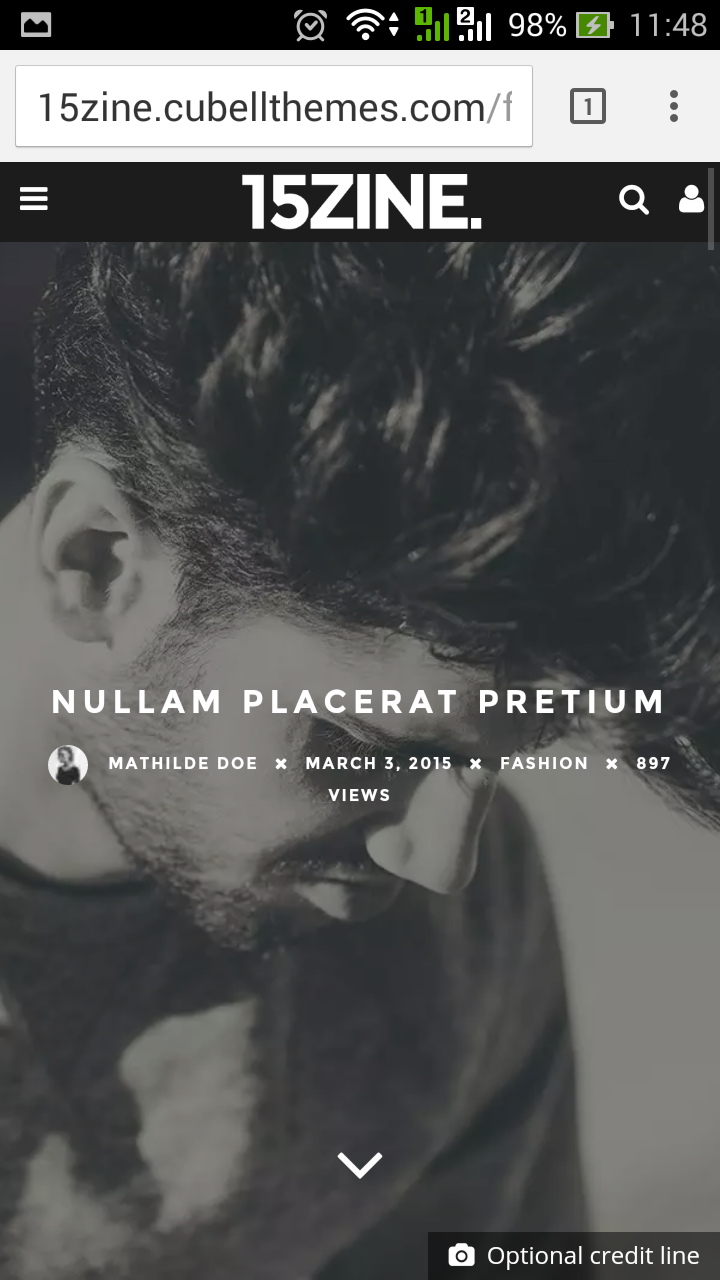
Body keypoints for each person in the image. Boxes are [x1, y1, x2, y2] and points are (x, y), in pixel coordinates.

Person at [0, 241, 716, 1280]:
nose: (443, 865)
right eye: (372, 744)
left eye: (510, 752)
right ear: (97, 566)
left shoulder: (451, 929)